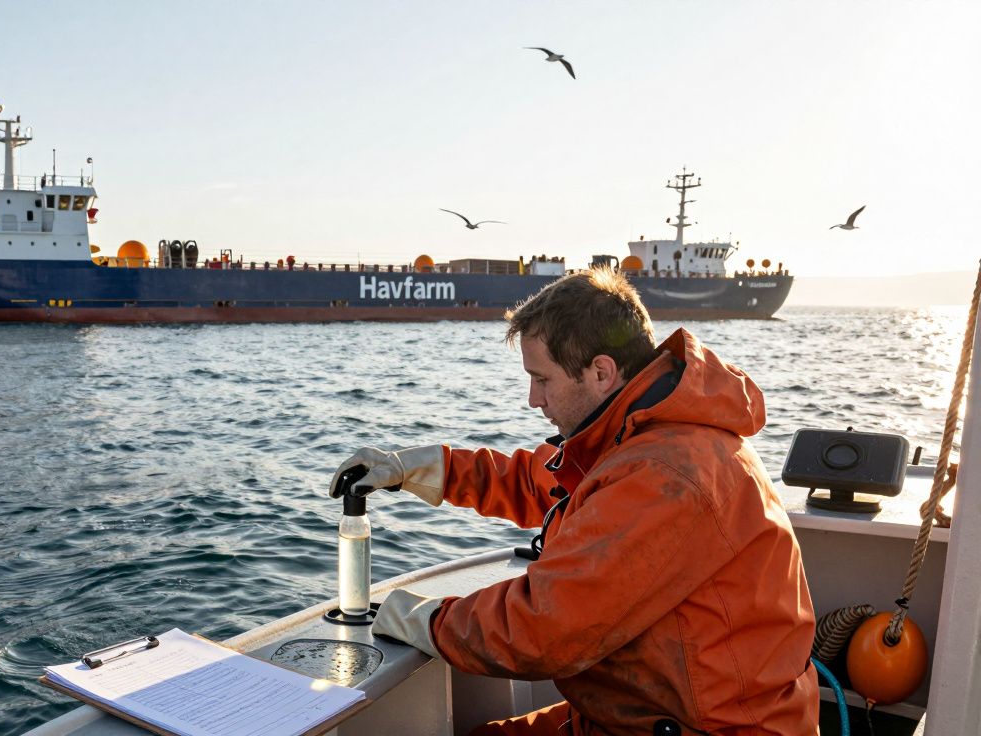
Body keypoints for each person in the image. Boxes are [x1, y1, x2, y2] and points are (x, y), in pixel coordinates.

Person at [331, 269, 817, 735]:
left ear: (601, 372)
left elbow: (543, 629)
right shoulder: (642, 434)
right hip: (640, 716)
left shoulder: (664, 473)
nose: (533, 399)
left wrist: (426, 620)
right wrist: (418, 468)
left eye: (542, 379)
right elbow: (538, 483)